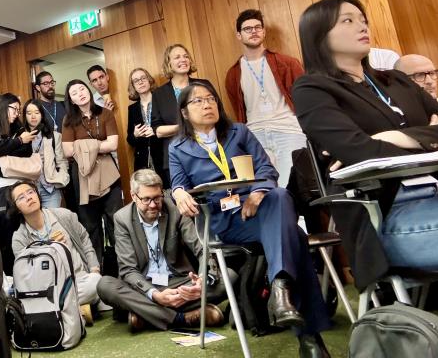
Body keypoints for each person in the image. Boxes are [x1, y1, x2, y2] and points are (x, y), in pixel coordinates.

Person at [169, 82, 330, 358]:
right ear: (184, 112)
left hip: (258, 210)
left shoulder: (238, 132)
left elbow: (265, 167)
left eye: (211, 99)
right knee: (296, 237)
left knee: (278, 196)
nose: (208, 104)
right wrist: (179, 192)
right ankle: (307, 334)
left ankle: (281, 289)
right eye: (198, 101)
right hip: (224, 221)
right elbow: (178, 183)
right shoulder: (178, 147)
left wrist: (257, 193)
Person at [292, 0, 438, 290]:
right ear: (319, 34)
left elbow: (371, 146)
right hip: (388, 214)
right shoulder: (312, 89)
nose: (362, 25)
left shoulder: (396, 80)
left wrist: (396, 137)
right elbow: (359, 151)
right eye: (348, 20)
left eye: (362, 19)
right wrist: (429, 136)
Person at [97, 169, 226, 333]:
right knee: (105, 285)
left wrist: (200, 280)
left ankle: (145, 315)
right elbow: (128, 270)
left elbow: (201, 249)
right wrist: (155, 295)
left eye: (157, 198)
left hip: (179, 282)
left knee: (228, 277)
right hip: (143, 286)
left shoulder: (174, 209)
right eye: (146, 199)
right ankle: (183, 318)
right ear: (133, 196)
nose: (153, 204)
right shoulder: (122, 218)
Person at [225, 9, 307, 187]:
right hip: (255, 135)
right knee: (264, 190)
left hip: (288, 130)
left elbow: (305, 100)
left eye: (257, 27)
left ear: (264, 31)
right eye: (248, 29)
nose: (254, 31)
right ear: (239, 35)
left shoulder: (288, 63)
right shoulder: (233, 74)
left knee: (294, 188)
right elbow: (238, 110)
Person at [9, 181, 102, 325]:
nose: (28, 197)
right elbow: (28, 276)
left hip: (79, 280)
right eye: (21, 197)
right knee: (29, 301)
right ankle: (79, 310)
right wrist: (49, 249)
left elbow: (84, 240)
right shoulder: (19, 238)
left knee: (96, 282)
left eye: (31, 192)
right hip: (51, 290)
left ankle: (67, 312)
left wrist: (94, 269)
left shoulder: (63, 216)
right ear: (17, 208)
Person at [61, 79, 122, 268]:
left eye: (82, 89)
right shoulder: (69, 120)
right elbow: (68, 151)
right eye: (74, 92)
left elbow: (113, 144)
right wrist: (97, 146)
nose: (80, 93)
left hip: (108, 171)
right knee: (90, 225)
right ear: (71, 100)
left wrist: (83, 146)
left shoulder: (105, 113)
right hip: (83, 175)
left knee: (116, 221)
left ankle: (125, 268)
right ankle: (97, 270)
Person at [0, 92, 37, 274]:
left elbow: (26, 152)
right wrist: (17, 142)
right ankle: (11, 277)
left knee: (23, 226)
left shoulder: (18, 127)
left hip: (20, 183)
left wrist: (6, 150)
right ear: (4, 108)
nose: (17, 114)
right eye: (14, 109)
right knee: (5, 232)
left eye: (19, 110)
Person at [151, 44, 214, 188]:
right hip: (176, 157)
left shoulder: (204, 85)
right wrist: (186, 126)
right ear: (169, 63)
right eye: (177, 57)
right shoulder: (159, 94)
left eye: (186, 56)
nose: (183, 59)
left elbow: (217, 115)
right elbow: (158, 131)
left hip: (207, 151)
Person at [21, 99, 67, 209]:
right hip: (28, 189)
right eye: (29, 113)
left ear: (42, 114)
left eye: (37, 113)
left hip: (50, 188)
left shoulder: (54, 136)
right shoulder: (20, 137)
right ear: (24, 115)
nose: (33, 116)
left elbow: (61, 161)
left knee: (52, 220)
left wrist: (61, 177)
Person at [126, 67, 163, 173]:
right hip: (143, 163)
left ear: (149, 80)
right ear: (133, 86)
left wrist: (156, 131)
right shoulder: (132, 109)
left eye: (143, 78)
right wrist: (135, 135)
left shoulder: (161, 101)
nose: (140, 82)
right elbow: (130, 140)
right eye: (136, 81)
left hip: (164, 158)